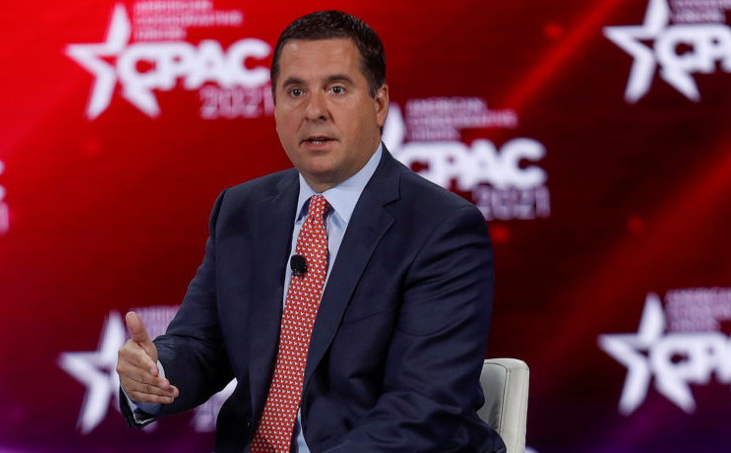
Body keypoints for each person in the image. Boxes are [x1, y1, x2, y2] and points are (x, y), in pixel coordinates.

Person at [116, 10, 506, 453]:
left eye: (336, 89)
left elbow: (422, 407)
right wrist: (155, 373)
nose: (314, 111)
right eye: (295, 91)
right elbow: (202, 343)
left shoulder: (441, 228)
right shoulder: (241, 210)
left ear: (378, 104)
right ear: (276, 107)